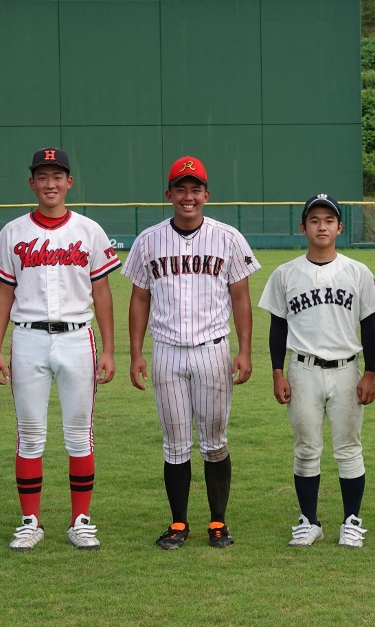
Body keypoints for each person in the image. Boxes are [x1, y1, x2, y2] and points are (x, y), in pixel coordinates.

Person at [0, 147, 121, 551]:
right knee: (29, 434)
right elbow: (3, 292)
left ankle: (80, 521)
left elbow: (102, 291)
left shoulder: (89, 230)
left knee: (80, 434)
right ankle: (31, 522)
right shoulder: (13, 231)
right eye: (42, 177)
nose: (50, 184)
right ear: (32, 183)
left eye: (57, 176)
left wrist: (110, 349)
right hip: (27, 337)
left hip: (78, 336)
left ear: (69, 182)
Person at [123, 156, 259, 550]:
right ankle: (178, 523)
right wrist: (136, 353)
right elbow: (139, 298)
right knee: (175, 443)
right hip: (166, 351)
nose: (188, 196)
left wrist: (245, 351)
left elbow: (240, 297)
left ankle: (218, 522)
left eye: (195, 189)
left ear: (206, 194)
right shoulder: (148, 240)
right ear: (168, 194)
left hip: (213, 350)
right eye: (180, 189)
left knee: (214, 442)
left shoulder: (228, 237)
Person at [258, 194, 375, 548]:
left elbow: (369, 326)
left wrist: (370, 372)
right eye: (314, 220)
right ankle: (309, 521)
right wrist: (277, 372)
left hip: (346, 369)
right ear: (303, 227)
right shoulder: (286, 273)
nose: (321, 226)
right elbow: (278, 327)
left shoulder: (358, 271)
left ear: (339, 227)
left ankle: (351, 521)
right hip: (302, 369)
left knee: (349, 448)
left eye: (329, 220)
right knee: (306, 448)